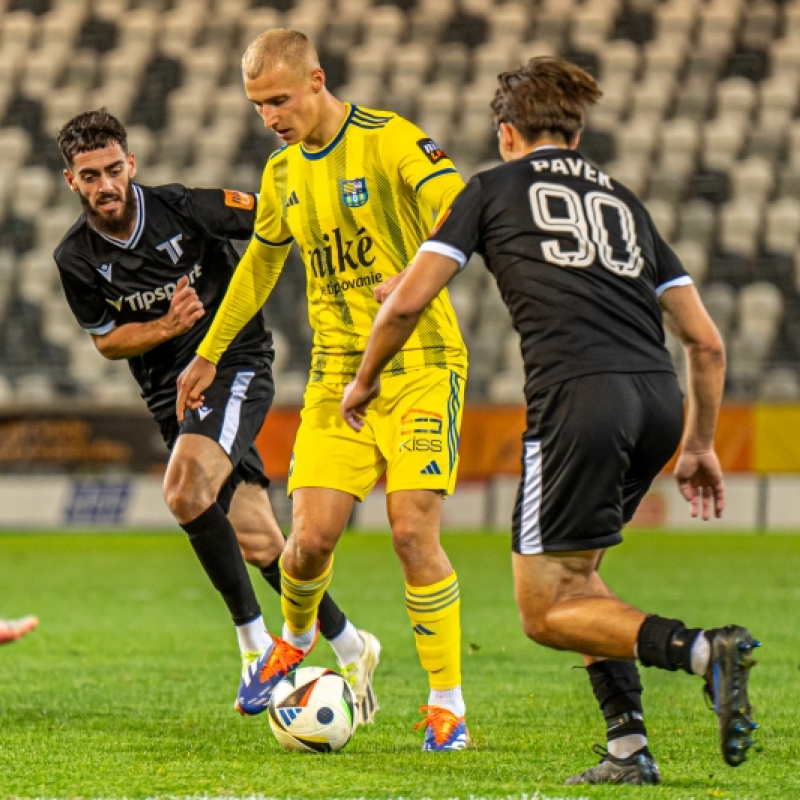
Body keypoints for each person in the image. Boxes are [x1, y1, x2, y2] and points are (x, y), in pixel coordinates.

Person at [341, 56, 760, 781]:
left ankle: (702, 651)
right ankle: (628, 747)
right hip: (659, 398)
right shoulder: (626, 201)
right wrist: (698, 445)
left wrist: (364, 378)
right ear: (575, 128)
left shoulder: (490, 188)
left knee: (544, 612)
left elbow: (408, 302)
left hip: (578, 400)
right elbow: (707, 342)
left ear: (506, 132)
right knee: (579, 579)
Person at [176, 29, 470, 751]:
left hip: (423, 364)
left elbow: (459, 204)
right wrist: (209, 352)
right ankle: (297, 637)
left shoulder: (388, 138)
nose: (270, 116)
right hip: (339, 377)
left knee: (410, 532)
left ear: (316, 78)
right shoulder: (281, 174)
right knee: (305, 543)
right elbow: (258, 270)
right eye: (257, 105)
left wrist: (417, 274)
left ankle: (447, 705)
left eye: (278, 99)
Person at [53, 109, 380, 724]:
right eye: (90, 175)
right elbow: (106, 340)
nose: (106, 185)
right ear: (71, 181)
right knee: (259, 540)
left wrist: (357, 263)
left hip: (233, 365)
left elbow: (280, 218)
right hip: (168, 395)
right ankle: (353, 645)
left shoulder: (186, 208)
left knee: (182, 490)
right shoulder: (74, 256)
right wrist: (164, 327)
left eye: (114, 170)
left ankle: (257, 647)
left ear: (133, 165)